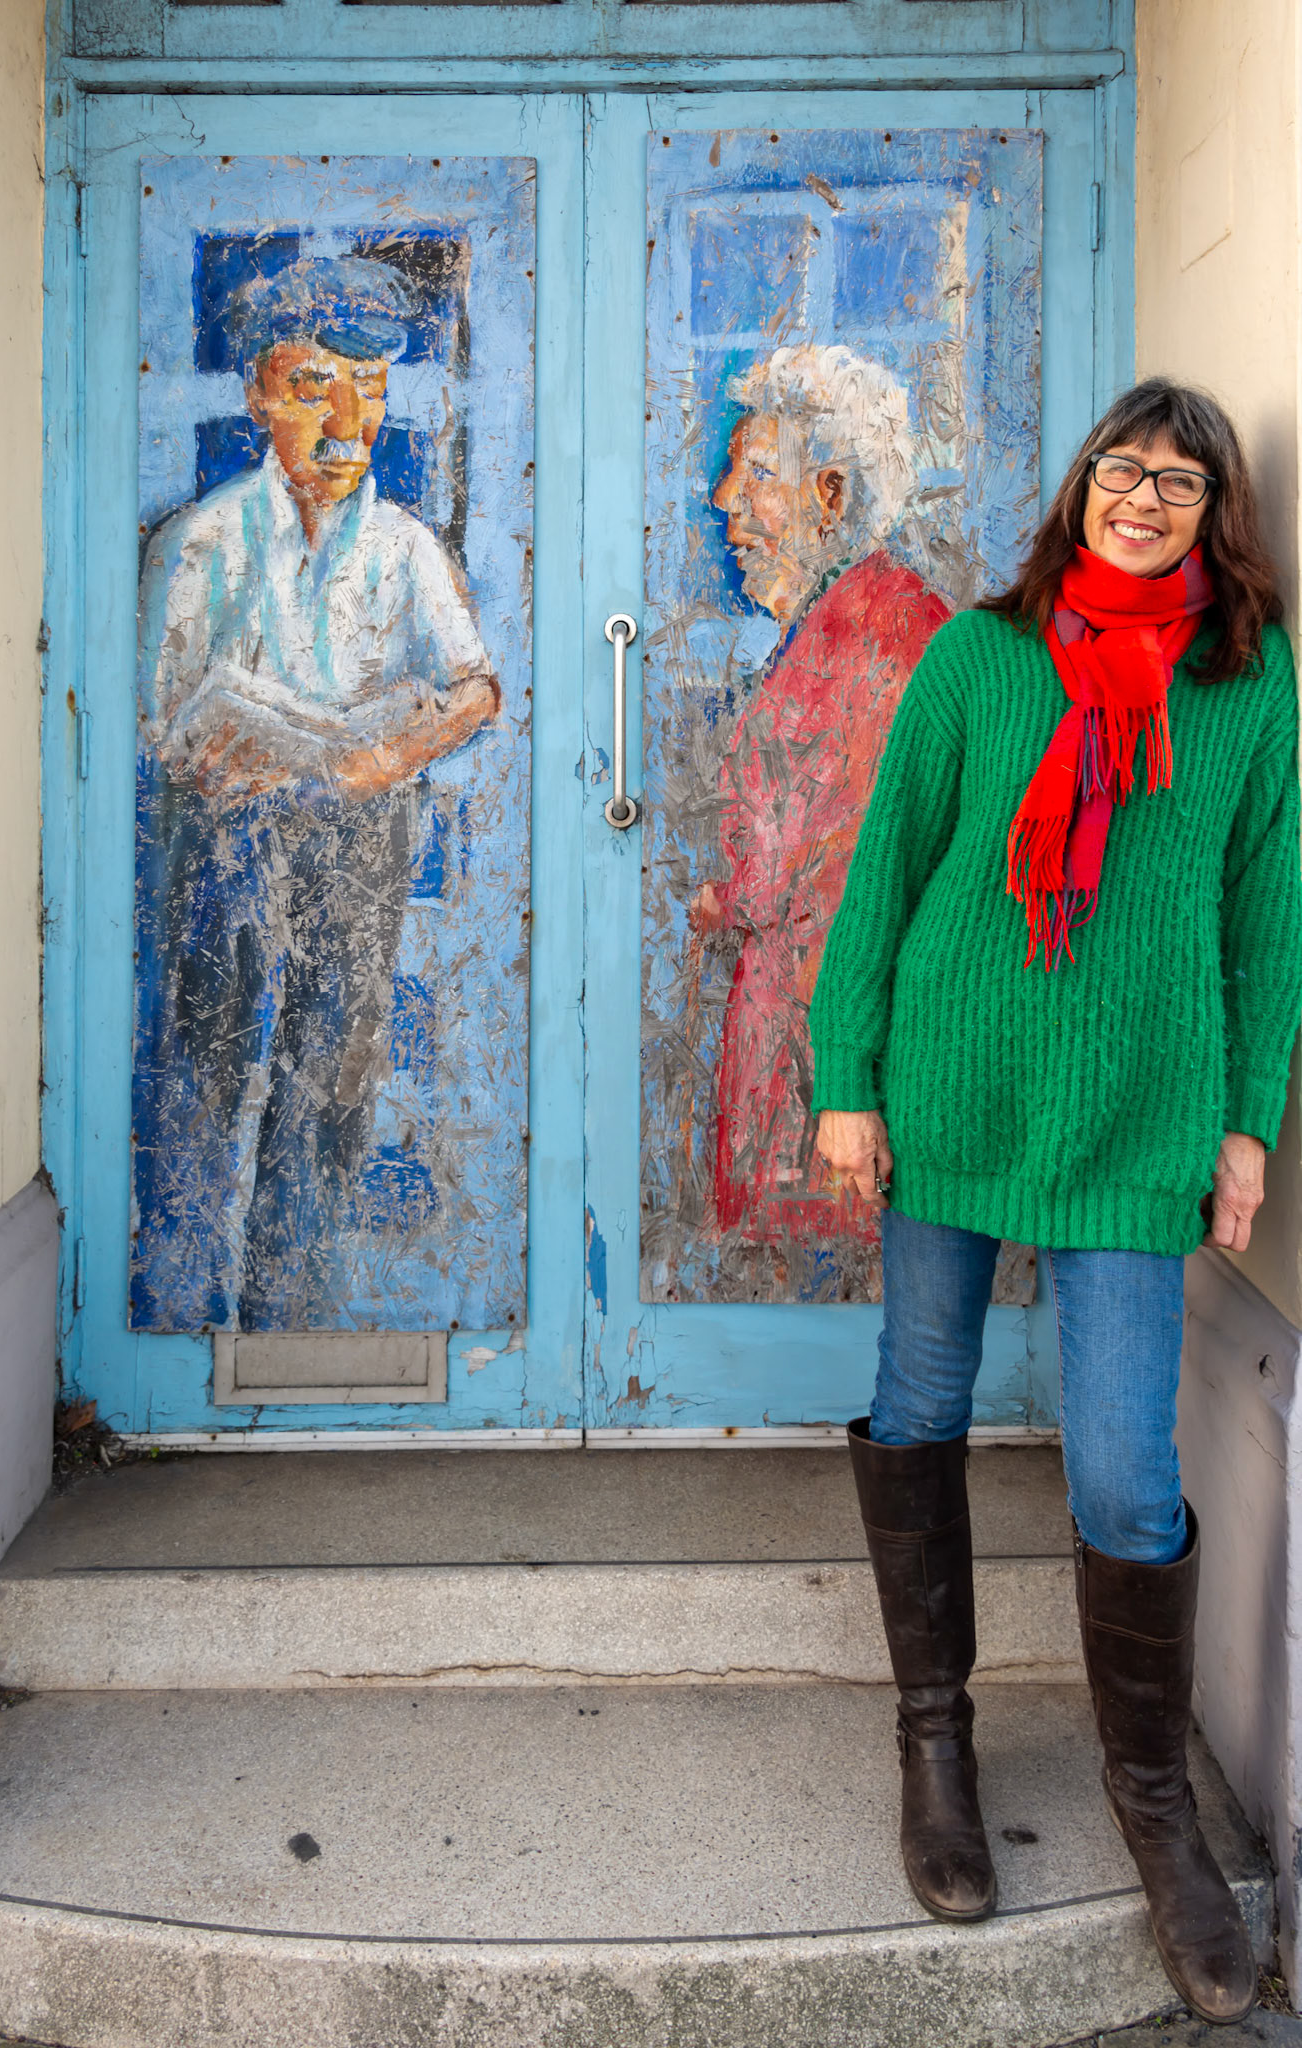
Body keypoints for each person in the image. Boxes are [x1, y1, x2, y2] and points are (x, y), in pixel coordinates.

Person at [809, 378, 1302, 2023]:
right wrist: (845, 1077)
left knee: (1126, 1462)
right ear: (1080, 484)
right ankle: (933, 1736)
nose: (1143, 497)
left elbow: (1264, 922)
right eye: (1122, 468)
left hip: (1139, 1120)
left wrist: (1244, 1127)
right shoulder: (977, 655)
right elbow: (889, 865)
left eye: (1179, 478)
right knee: (922, 1397)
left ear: (1214, 510)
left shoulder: (1248, 682)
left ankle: (1153, 1804)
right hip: (956, 1081)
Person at [132, 255, 499, 1331]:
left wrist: (385, 750)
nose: (348, 425)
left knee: (328, 1092)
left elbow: (475, 688)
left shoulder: (404, 548)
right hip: (226, 851)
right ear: (256, 392)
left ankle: (291, 1323)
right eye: (314, 390)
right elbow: (162, 725)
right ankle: (180, 1327)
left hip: (358, 845)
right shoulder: (197, 543)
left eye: (372, 391)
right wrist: (224, 748)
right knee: (199, 1082)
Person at [688, 344, 949, 1251]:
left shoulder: (874, 638)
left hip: (823, 1048)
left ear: (830, 496)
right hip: (822, 1030)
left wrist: (721, 901)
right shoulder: (875, 614)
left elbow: (811, 873)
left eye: (757, 473)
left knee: (809, 1258)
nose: (725, 500)